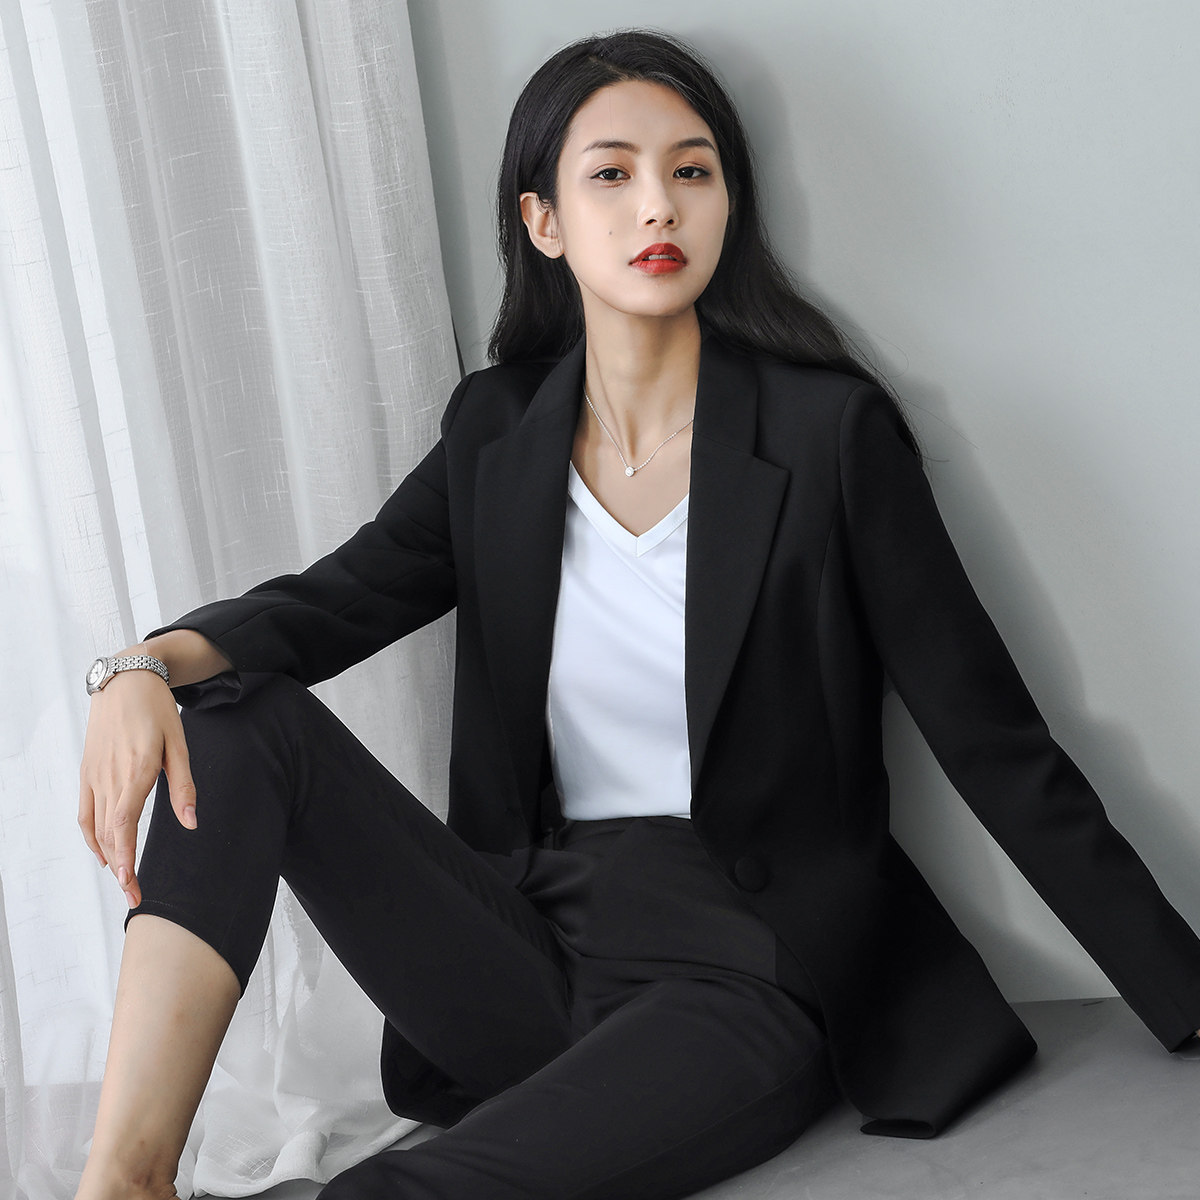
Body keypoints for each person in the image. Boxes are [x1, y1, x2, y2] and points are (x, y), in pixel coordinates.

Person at [75, 28, 1200, 1200]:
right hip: (527, 941)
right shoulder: (495, 432)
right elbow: (332, 600)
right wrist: (137, 668)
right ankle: (124, 1179)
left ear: (727, 205)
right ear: (543, 221)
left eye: (691, 170)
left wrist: (1182, 990)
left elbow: (994, 741)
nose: (657, 204)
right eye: (611, 173)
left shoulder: (827, 436)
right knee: (231, 718)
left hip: (742, 966)